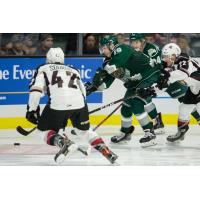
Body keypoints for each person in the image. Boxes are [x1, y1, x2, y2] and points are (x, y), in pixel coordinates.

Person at [26, 47, 118, 164]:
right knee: (84, 131)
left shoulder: (43, 68)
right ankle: (107, 152)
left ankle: (63, 143)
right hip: (80, 104)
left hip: (57, 104)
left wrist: (32, 109)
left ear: (48, 59)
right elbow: (83, 92)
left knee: (42, 132)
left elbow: (36, 91)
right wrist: (76, 109)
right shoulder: (73, 69)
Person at [86, 35, 161, 147]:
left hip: (149, 74)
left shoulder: (121, 48)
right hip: (136, 82)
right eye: (101, 49)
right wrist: (94, 87)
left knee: (136, 104)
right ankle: (125, 133)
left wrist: (102, 73)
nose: (103, 51)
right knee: (126, 108)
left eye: (104, 48)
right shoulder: (109, 61)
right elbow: (107, 83)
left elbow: (116, 63)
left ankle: (150, 133)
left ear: (111, 45)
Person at [157, 43, 200, 142]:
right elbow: (166, 81)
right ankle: (181, 132)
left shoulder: (183, 60)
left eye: (166, 57)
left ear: (174, 55)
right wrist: (151, 90)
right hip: (194, 88)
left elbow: (183, 73)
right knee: (184, 109)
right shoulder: (173, 64)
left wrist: (167, 76)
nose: (165, 59)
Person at [129, 33, 164, 134]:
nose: (134, 45)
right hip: (146, 78)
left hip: (159, 76)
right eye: (132, 42)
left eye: (136, 42)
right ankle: (158, 122)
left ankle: (153, 127)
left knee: (184, 97)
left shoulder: (151, 49)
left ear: (142, 42)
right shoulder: (132, 51)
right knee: (145, 98)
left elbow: (158, 67)